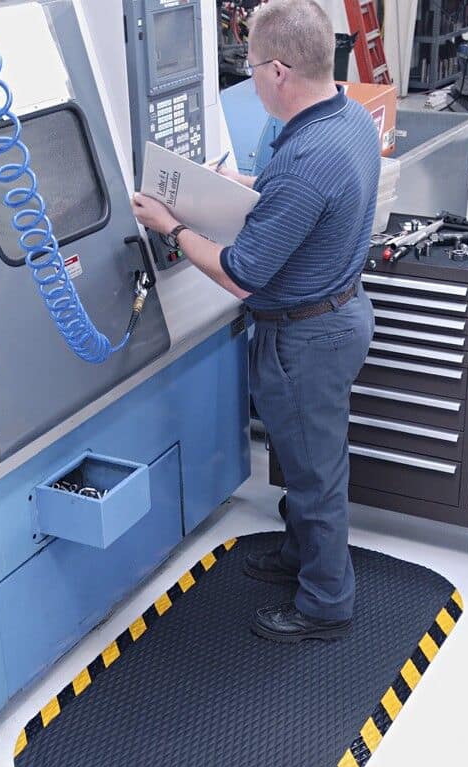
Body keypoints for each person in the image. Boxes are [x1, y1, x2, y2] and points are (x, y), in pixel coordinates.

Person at [132, 0, 380, 643]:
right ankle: (301, 558)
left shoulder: (306, 160)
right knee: (307, 460)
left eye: (249, 66)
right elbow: (294, 196)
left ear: (277, 71)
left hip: (306, 338)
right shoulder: (347, 116)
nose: (248, 77)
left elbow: (241, 272)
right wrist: (240, 183)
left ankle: (326, 605)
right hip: (341, 314)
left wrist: (173, 225)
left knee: (316, 475)